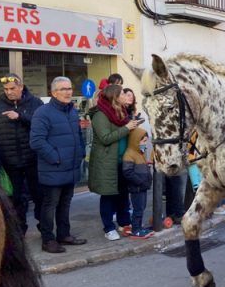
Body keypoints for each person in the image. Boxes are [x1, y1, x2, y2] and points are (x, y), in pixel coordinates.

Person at [29, 77, 87, 254]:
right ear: (53, 93)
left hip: (71, 166)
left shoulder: (72, 111)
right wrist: (56, 158)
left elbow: (78, 134)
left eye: (70, 88)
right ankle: (48, 240)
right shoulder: (43, 112)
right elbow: (36, 141)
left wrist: (81, 153)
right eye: (63, 89)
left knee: (65, 203)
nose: (68, 92)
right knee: (50, 204)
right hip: (54, 167)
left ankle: (64, 234)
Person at [0, 74, 44, 235]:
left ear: (21, 86)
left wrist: (21, 117)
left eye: (12, 88)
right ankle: (19, 230)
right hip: (10, 161)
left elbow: (43, 125)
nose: (9, 92)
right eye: (6, 89)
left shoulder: (35, 103)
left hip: (33, 158)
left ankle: (44, 229)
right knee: (15, 198)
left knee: (39, 195)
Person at [88, 84, 139, 240]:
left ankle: (124, 223)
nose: (126, 96)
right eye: (123, 94)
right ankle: (109, 228)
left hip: (123, 160)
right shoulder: (100, 115)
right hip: (106, 162)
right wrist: (127, 127)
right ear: (115, 97)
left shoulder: (122, 112)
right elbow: (105, 138)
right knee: (108, 195)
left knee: (123, 195)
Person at [121, 128, 154, 239]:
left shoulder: (140, 153)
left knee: (142, 206)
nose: (144, 143)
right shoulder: (130, 154)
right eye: (143, 141)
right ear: (136, 140)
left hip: (142, 186)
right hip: (137, 187)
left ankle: (139, 227)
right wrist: (140, 182)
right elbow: (127, 171)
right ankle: (136, 229)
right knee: (138, 208)